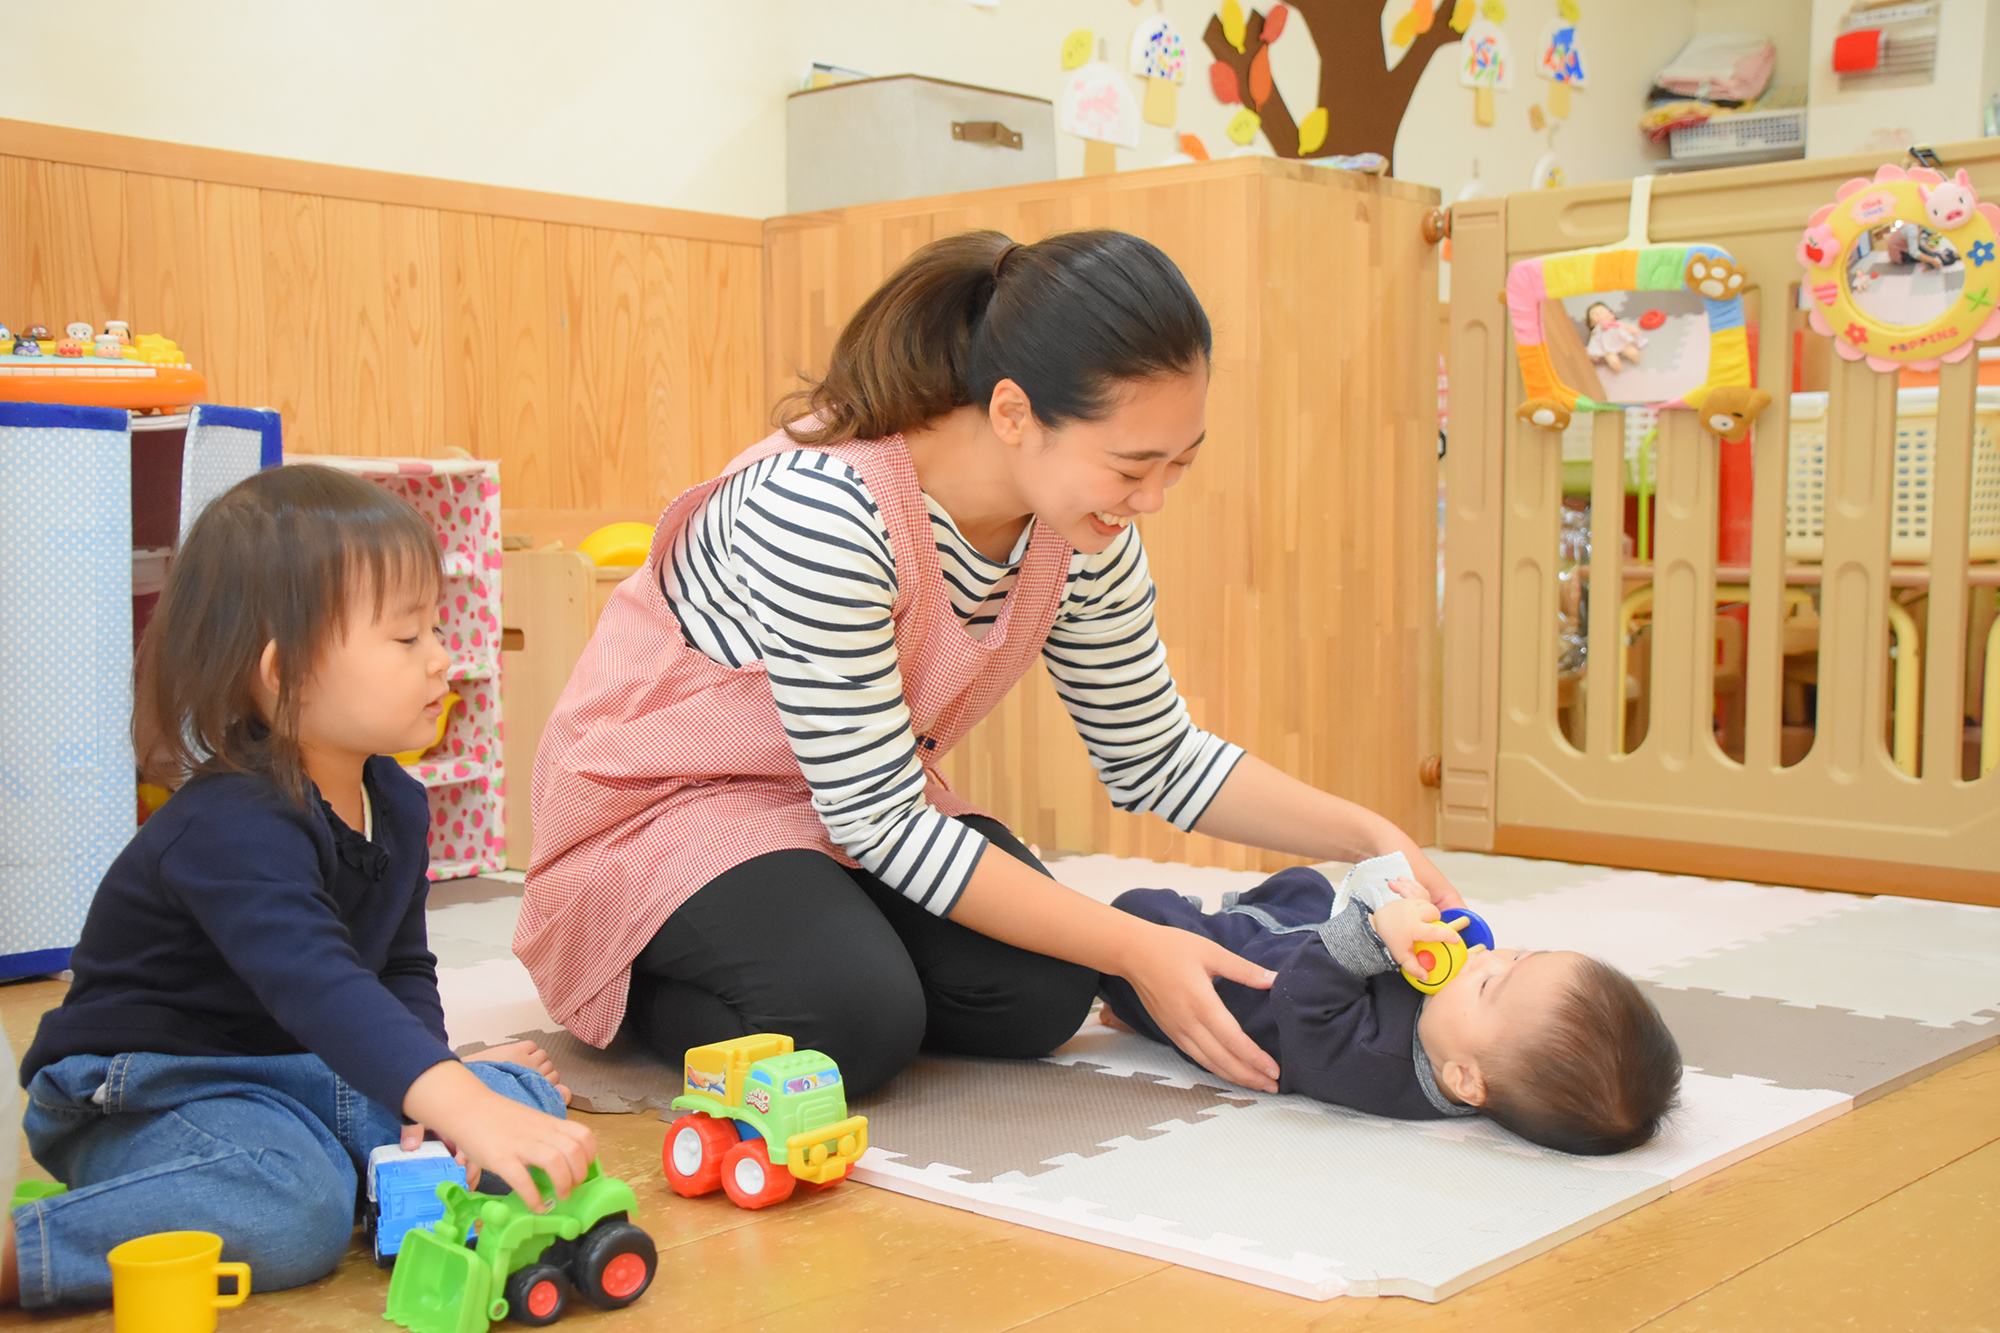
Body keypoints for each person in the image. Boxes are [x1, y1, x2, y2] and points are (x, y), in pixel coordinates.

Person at [519, 228, 1464, 1104]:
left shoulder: (1080, 529)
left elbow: (1155, 755)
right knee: (852, 1026)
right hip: (664, 812)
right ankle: (626, 973)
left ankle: (822, 948)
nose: (1155, 498)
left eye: (1180, 464)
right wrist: (1142, 945)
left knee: (1043, 998)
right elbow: (882, 819)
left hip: (834, 813)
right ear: (1013, 412)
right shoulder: (825, 510)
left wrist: (1364, 832)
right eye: (1133, 465)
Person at [4, 466, 595, 1309]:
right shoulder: (232, 822)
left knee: (516, 1098)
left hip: (285, 1068)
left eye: (436, 628)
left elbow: (399, 969)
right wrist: (450, 1094)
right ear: (285, 674)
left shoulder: (394, 799)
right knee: (297, 1208)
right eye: (406, 639)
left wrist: (432, 1093)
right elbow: (322, 988)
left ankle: (370, 1165)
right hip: (144, 1090)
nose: (443, 658)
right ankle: (29, 1252)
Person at [1099, 855, 1683, 1154]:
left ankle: (1134, 1004)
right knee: (1307, 884)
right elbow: (1452, 965)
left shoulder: (1376, 1067)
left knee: (1138, 910)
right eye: (1519, 956)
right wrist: (1416, 917)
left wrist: (1377, 935)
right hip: (1310, 940)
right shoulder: (1467, 1040)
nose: (1488, 959)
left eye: (1491, 984)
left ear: (1465, 1080)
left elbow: (1304, 1001)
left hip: (1244, 981)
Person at [1583, 302, 1645, 373]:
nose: (1599, 314)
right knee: (1613, 360)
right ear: (1591, 323)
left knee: (1632, 352)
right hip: (1607, 347)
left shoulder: (1616, 324)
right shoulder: (1596, 331)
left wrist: (1635, 330)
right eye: (1594, 314)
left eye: (1601, 311)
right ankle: (1619, 369)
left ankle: (1638, 360)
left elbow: (1627, 327)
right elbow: (1594, 341)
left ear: (1611, 315)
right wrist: (1591, 351)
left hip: (1621, 340)